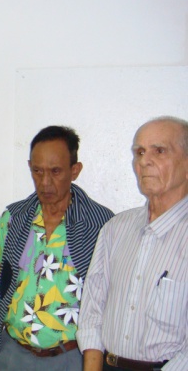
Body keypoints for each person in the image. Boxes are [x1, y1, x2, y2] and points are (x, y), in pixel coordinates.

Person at [0, 126, 114, 370]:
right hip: (10, 353)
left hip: (70, 358)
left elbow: (109, 300)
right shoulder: (13, 218)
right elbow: (0, 287)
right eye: (37, 171)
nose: (45, 182)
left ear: (75, 171)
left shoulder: (102, 224)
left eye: (55, 171)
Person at [77, 116, 188, 371]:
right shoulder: (116, 229)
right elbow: (92, 310)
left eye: (159, 151)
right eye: (139, 152)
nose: (144, 161)